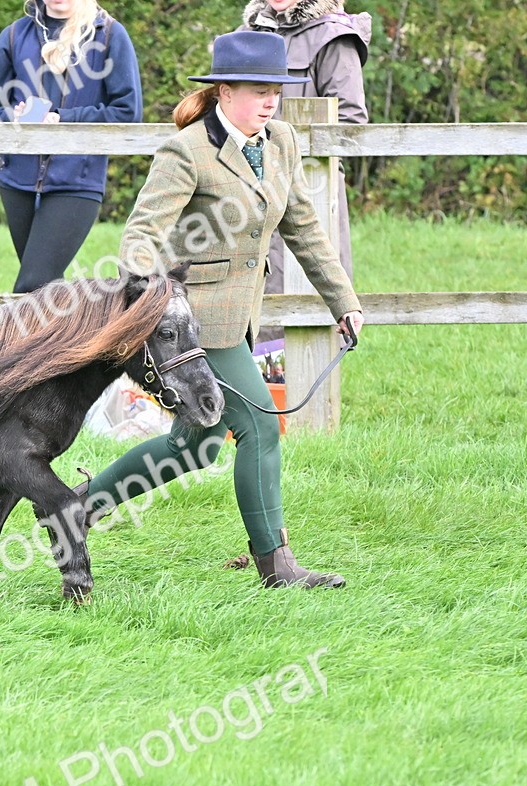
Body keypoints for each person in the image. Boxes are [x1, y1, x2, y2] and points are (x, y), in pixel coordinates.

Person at [78, 31, 365, 588]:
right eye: (259, 90)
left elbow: (302, 226)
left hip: (242, 317)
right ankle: (277, 567)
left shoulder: (280, 141)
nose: (270, 101)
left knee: (194, 447)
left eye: (276, 90)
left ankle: (79, 508)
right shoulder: (187, 151)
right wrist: (148, 303)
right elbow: (141, 235)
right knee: (259, 427)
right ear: (224, 90)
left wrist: (343, 302)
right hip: (195, 328)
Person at [0, 0, 142, 294]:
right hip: (16, 180)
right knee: (46, 290)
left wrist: (64, 118)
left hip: (77, 180)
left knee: (32, 284)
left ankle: (8, 340)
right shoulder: (15, 35)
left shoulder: (109, 35)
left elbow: (127, 112)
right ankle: (73, 340)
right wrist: (14, 115)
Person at [242, 0, 371, 339]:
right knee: (245, 296)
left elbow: (350, 121)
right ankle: (255, 389)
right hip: (242, 188)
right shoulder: (250, 32)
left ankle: (302, 392)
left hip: (310, 187)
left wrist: (282, 158)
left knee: (304, 298)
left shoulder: (333, 37)